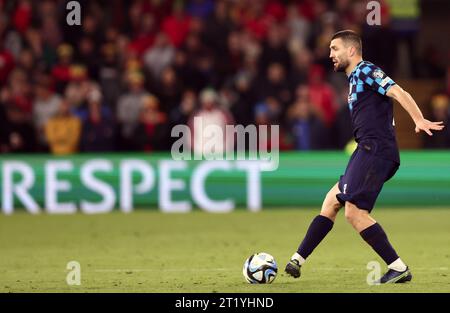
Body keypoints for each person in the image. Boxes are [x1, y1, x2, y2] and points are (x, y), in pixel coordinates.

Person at [285, 30, 445, 284]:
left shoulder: (366, 70)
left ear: (351, 50)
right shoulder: (354, 80)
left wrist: (418, 119)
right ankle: (296, 260)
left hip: (376, 149)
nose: (330, 55)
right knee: (331, 201)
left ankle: (398, 267)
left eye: (334, 49)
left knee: (354, 212)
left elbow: (398, 91)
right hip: (366, 150)